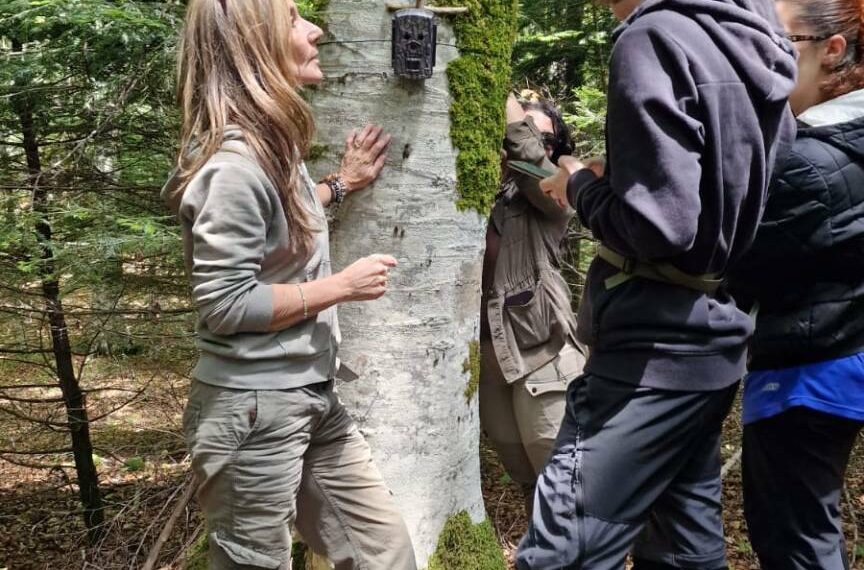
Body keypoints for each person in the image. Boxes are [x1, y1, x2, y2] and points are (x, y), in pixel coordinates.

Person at [517, 0, 797, 568]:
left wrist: (577, 188)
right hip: (711, 339)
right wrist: (621, 179)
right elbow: (730, 183)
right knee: (683, 549)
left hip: (648, 355)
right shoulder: (752, 42)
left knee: (563, 551)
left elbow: (660, 225)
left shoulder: (652, 38)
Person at [161, 1, 416, 568]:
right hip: (252, 406)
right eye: (295, 19)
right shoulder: (233, 165)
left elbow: (281, 218)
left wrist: (339, 186)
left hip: (311, 394)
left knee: (385, 554)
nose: (314, 29)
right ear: (256, 43)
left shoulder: (269, 148)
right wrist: (340, 287)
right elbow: (225, 303)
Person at [728, 1, 864, 567]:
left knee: (795, 539)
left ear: (831, 51)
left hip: (810, 371)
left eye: (777, 43)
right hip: (843, 356)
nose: (758, 61)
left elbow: (729, 268)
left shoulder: (812, 163)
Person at [480, 93, 587, 516]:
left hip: (542, 354)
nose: (524, 141)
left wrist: (506, 101)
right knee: (531, 493)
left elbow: (531, 164)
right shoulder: (483, 187)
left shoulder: (555, 194)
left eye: (539, 136)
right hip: (490, 362)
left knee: (566, 495)